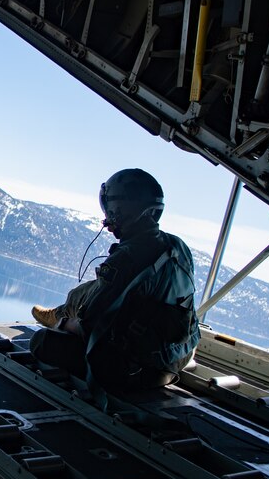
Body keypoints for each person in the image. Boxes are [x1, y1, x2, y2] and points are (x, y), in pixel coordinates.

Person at [29, 169, 200, 395]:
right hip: (181, 354)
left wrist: (62, 326)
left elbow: (91, 328)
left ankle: (57, 317)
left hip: (137, 368)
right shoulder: (178, 246)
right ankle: (60, 312)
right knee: (90, 290)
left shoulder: (127, 258)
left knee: (41, 341)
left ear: (119, 209)